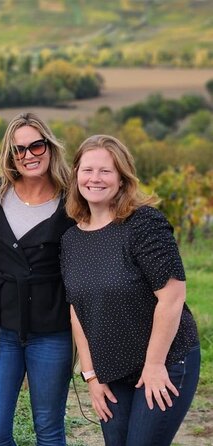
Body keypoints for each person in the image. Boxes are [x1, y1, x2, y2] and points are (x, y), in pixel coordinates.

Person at [60, 134, 200, 446]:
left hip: (164, 359)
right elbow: (76, 310)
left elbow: (173, 295)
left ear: (122, 178)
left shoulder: (142, 223)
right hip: (111, 369)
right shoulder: (71, 240)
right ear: (76, 176)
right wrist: (92, 376)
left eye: (105, 171)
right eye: (87, 170)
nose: (95, 178)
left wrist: (154, 365)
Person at [0, 112, 74, 445]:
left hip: (51, 327)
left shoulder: (72, 198)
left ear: (50, 146)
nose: (28, 155)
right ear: (10, 154)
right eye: (19, 149)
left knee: (48, 427)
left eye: (36, 145)